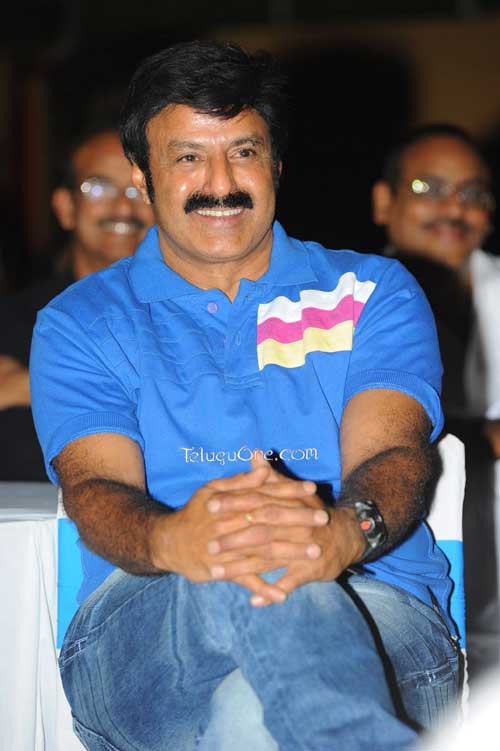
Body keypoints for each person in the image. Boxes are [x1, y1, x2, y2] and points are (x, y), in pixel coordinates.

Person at [30, 41, 460, 751]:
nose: (220, 182)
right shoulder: (81, 321)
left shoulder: (370, 293)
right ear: (142, 175)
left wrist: (341, 532)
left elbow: (392, 452)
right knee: (248, 556)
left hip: (378, 608)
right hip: (151, 619)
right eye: (188, 156)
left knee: (251, 717)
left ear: (277, 163)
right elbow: (96, 488)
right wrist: (180, 538)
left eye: (244, 152)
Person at [372, 123, 500, 679]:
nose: (454, 208)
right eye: (429, 188)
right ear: (384, 202)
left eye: (472, 193)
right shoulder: (338, 299)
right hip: (406, 586)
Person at [0, 128, 153, 480]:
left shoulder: (196, 315)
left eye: (139, 189)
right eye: (98, 187)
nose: (123, 207)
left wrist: (31, 384)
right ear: (66, 207)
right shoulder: (13, 321)